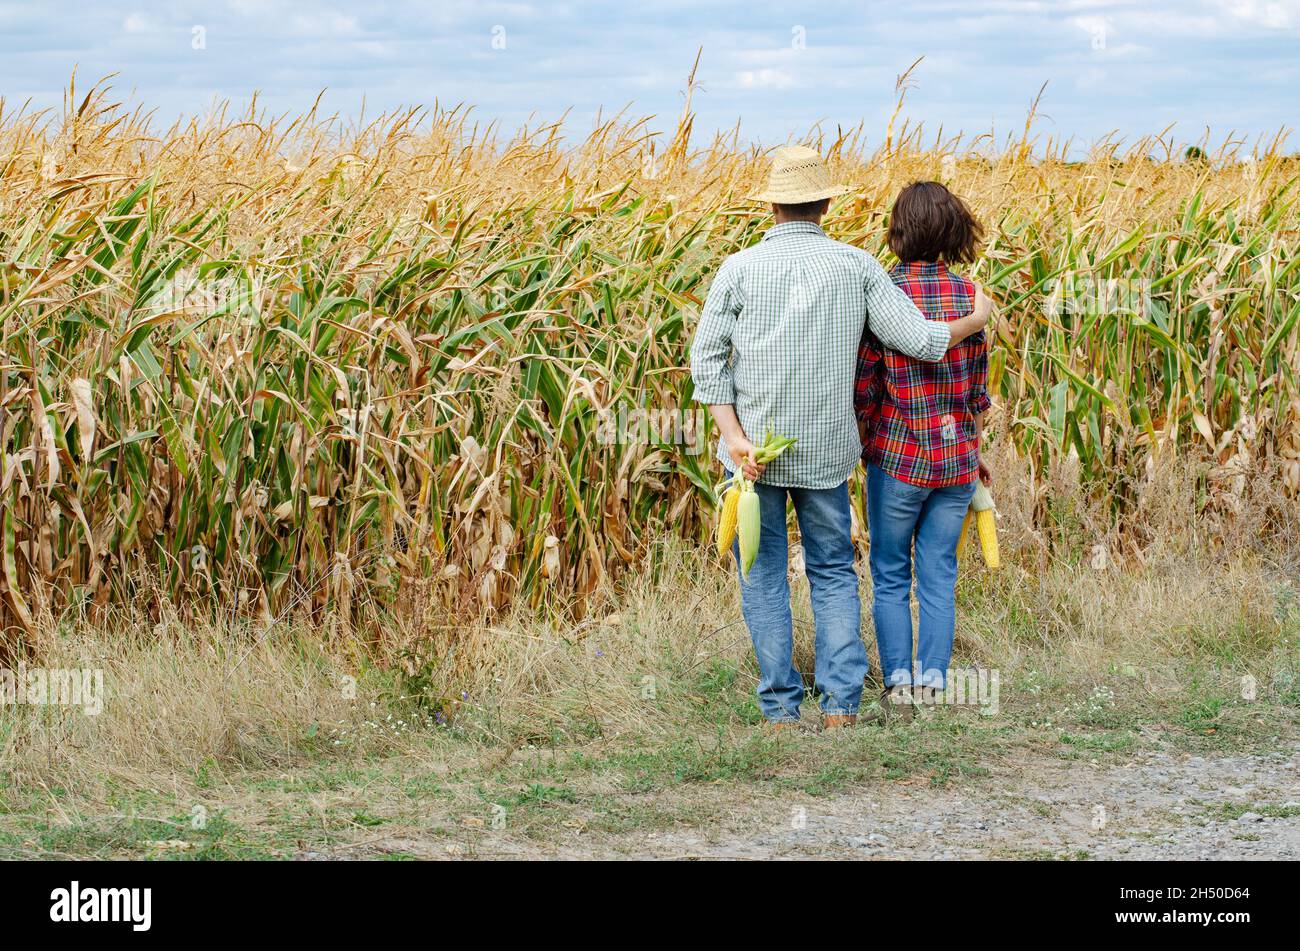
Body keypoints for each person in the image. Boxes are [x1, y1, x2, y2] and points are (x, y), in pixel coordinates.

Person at [690, 148, 992, 730]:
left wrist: (733, 437)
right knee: (831, 569)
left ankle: (780, 707)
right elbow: (925, 342)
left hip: (753, 454)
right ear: (826, 204)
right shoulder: (856, 268)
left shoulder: (738, 269)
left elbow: (707, 362)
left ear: (773, 206)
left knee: (764, 570)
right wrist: (975, 322)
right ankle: (840, 707)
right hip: (828, 453)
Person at [854, 180, 993, 721]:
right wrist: (974, 447)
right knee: (939, 571)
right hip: (956, 460)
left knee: (890, 571)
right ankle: (934, 684)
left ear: (899, 230)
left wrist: (864, 440)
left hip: (896, 457)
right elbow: (978, 391)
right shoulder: (972, 299)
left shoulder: (882, 294)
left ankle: (898, 685)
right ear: (953, 230)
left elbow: (867, 385)